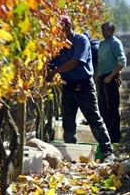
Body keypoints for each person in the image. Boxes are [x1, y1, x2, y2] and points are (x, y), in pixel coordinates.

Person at [46, 15, 115, 163]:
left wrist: (53, 72)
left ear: (69, 28)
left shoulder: (81, 40)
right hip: (68, 86)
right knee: (68, 122)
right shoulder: (58, 45)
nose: (60, 33)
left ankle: (108, 152)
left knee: (94, 119)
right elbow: (50, 63)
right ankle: (71, 154)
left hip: (84, 85)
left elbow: (75, 62)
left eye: (63, 29)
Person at [97, 22, 127, 143]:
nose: (105, 33)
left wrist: (110, 76)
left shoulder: (115, 43)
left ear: (112, 31)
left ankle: (115, 137)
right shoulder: (102, 44)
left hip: (111, 78)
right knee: (103, 107)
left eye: (107, 30)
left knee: (113, 108)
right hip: (102, 78)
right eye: (103, 30)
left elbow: (122, 62)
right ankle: (106, 135)